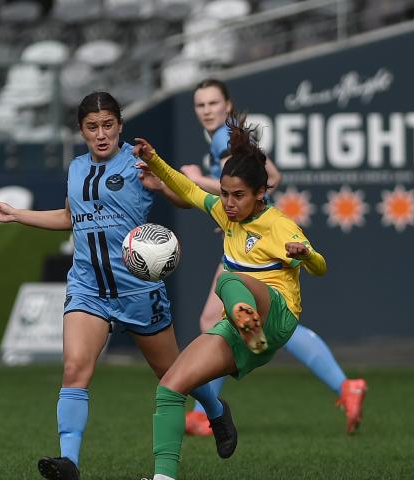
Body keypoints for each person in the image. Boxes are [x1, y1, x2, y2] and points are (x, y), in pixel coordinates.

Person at [0, 92, 235, 480]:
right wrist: (16, 215)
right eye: (91, 127)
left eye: (108, 125)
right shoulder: (77, 168)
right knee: (74, 370)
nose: (101, 134)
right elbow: (70, 217)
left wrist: (162, 184)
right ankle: (69, 463)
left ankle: (216, 411)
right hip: (88, 289)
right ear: (81, 130)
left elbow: (186, 198)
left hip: (138, 292)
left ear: (120, 125)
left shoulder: (138, 159)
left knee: (175, 375)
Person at [133, 117, 333, 480]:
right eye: (224, 193)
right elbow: (191, 190)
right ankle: (164, 478)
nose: (227, 202)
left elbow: (321, 267)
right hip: (243, 326)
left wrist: (306, 255)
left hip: (276, 316)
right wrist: (156, 160)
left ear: (260, 193)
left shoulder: (279, 226)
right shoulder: (228, 216)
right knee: (170, 386)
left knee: (229, 279)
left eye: (237, 195)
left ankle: (245, 317)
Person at [181, 79, 367, 437]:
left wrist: (198, 180)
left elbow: (232, 185)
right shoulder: (230, 136)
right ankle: (345, 386)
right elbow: (274, 177)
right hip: (254, 235)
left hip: (254, 245)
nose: (206, 110)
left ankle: (208, 414)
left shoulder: (223, 138)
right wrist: (241, 208)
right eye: (199, 105)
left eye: (213, 103)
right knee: (260, 324)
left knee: (217, 318)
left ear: (228, 105)